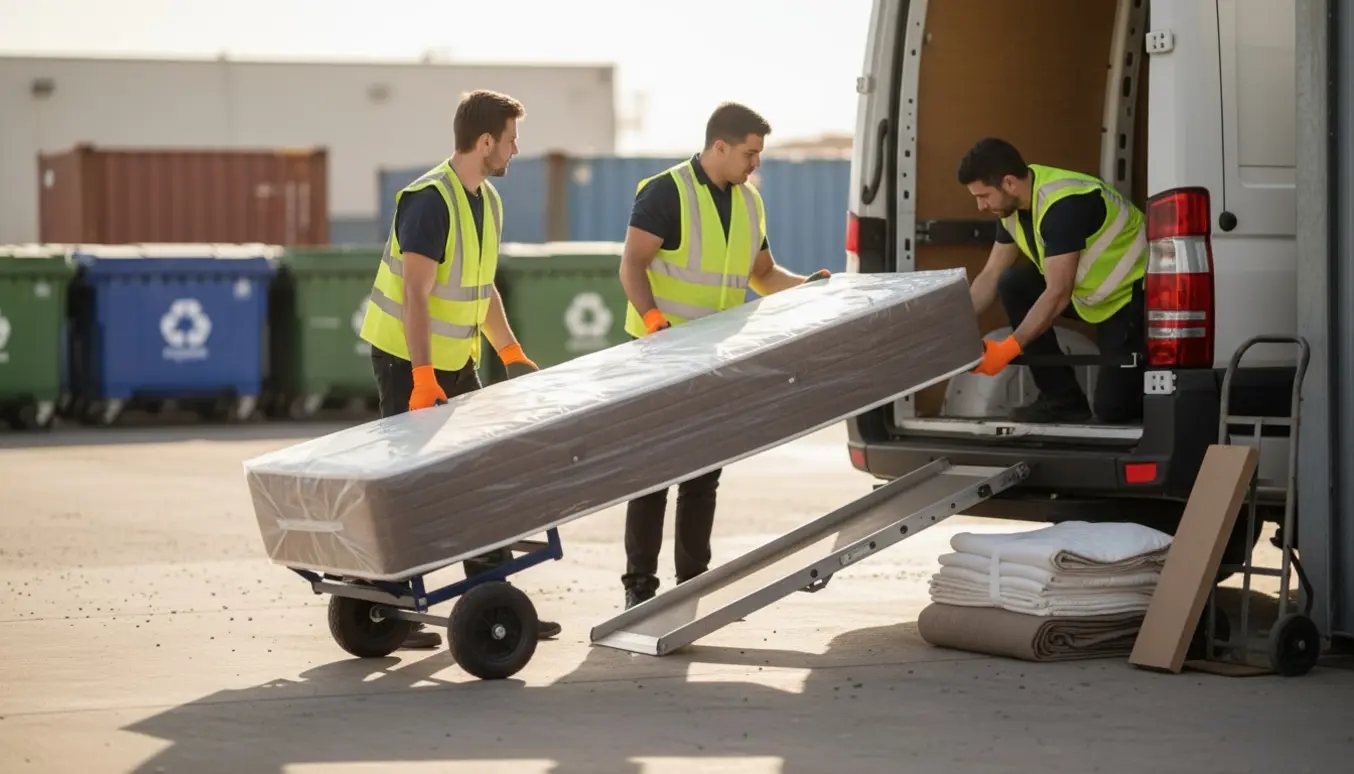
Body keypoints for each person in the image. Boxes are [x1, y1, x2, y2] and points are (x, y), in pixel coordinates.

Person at [358, 89, 562, 648]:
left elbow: (480, 288)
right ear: (486, 141)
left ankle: (493, 601)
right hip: (407, 361)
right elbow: (415, 297)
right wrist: (422, 379)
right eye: (512, 139)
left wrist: (511, 351)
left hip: (454, 362)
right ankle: (388, 605)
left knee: (477, 476)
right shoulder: (429, 199)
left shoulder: (487, 202)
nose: (517, 150)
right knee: (408, 486)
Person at [615, 101, 831, 609]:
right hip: (659, 352)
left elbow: (762, 274)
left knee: (702, 477)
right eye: (750, 154)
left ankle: (694, 586)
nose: (756, 164)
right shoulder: (665, 191)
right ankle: (639, 590)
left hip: (714, 356)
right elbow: (632, 265)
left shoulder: (750, 202)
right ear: (720, 146)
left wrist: (809, 288)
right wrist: (652, 322)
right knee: (651, 475)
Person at [957, 137, 1148, 425]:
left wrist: (1007, 349)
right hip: (1090, 294)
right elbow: (990, 276)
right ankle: (1062, 399)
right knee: (1012, 282)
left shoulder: (1064, 205)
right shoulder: (1011, 209)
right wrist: (952, 330)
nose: (981, 206)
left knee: (1113, 412)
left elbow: (1058, 293)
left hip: (1130, 298)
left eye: (983, 196)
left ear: (1008, 183)